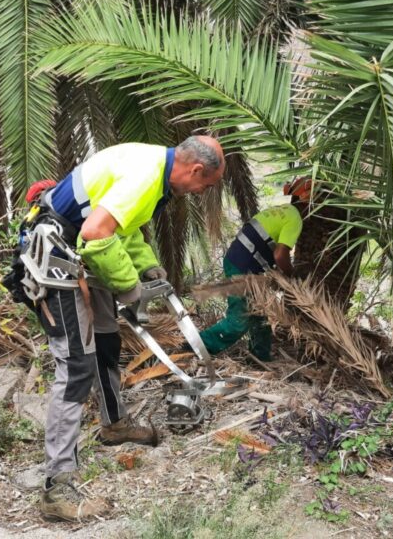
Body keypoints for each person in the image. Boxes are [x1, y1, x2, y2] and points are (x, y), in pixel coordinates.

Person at [26, 135, 225, 522]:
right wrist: (129, 286)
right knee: (76, 367)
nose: (202, 192)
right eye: (206, 185)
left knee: (105, 342)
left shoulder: (154, 168)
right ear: (196, 169)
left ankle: (115, 425)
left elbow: (123, 226)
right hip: (55, 258)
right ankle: (57, 487)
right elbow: (98, 233)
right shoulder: (145, 174)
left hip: (77, 253)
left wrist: (146, 264)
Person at [197, 178, 311, 361]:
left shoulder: (281, 211)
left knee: (259, 314)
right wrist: (292, 277)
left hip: (238, 261)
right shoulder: (295, 219)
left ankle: (260, 355)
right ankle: (198, 346)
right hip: (243, 268)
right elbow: (280, 255)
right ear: (309, 202)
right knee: (239, 321)